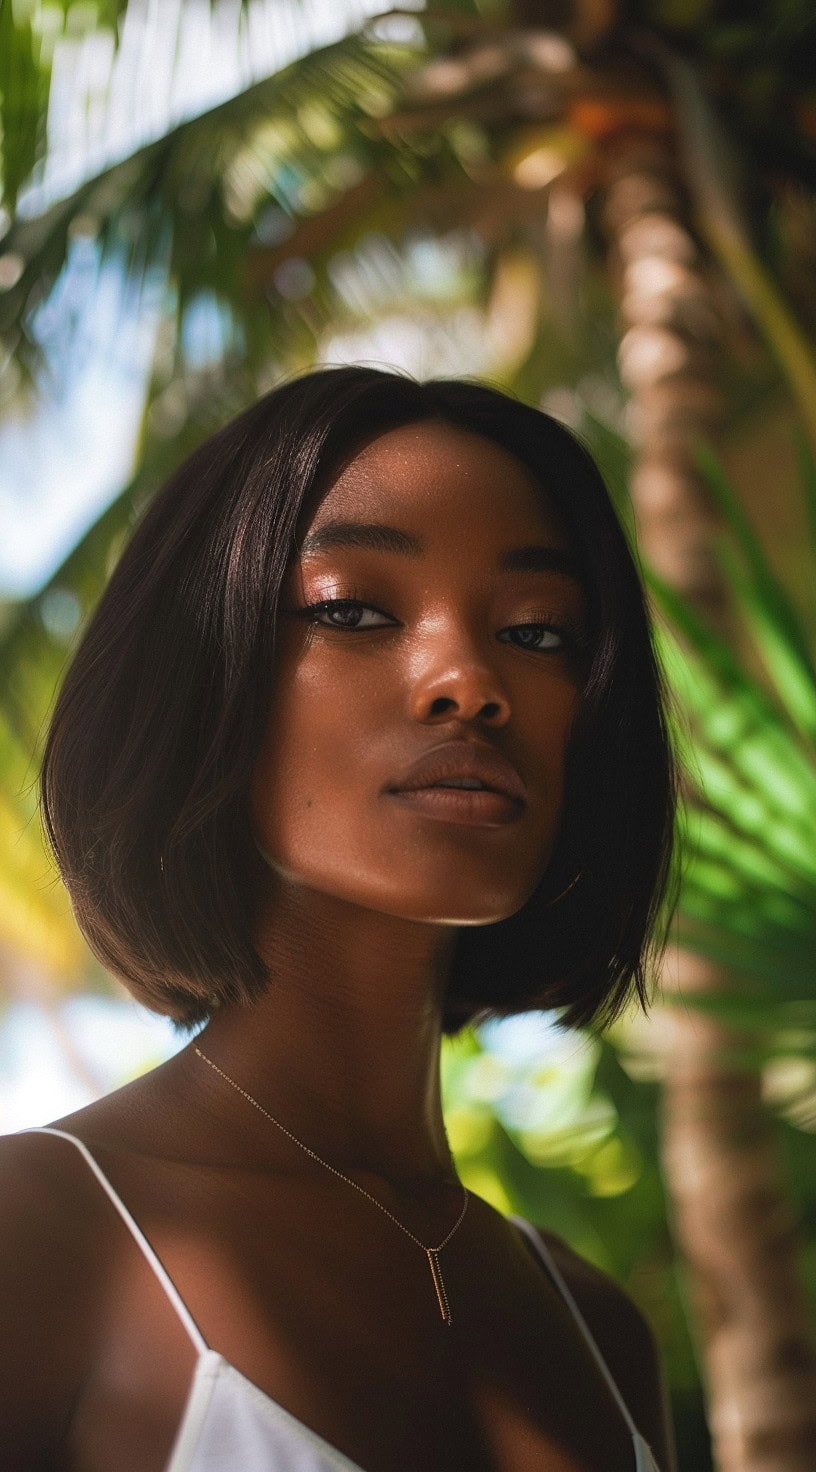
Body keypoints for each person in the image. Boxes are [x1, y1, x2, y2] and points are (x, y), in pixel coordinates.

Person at [0, 365, 677, 1472]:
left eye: (541, 632)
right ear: (204, 673)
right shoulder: (39, 1242)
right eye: (354, 609)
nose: (469, 678)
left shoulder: (600, 1332)